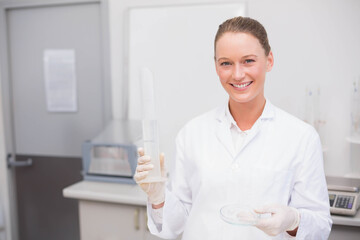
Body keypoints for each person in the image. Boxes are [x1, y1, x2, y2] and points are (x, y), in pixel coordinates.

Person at [135, 16, 332, 239]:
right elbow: (178, 224)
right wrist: (159, 197)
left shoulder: (301, 138)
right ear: (216, 66)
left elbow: (320, 227)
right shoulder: (192, 134)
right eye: (226, 63)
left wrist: (293, 220)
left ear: (269, 60)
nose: (237, 74)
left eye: (248, 61)